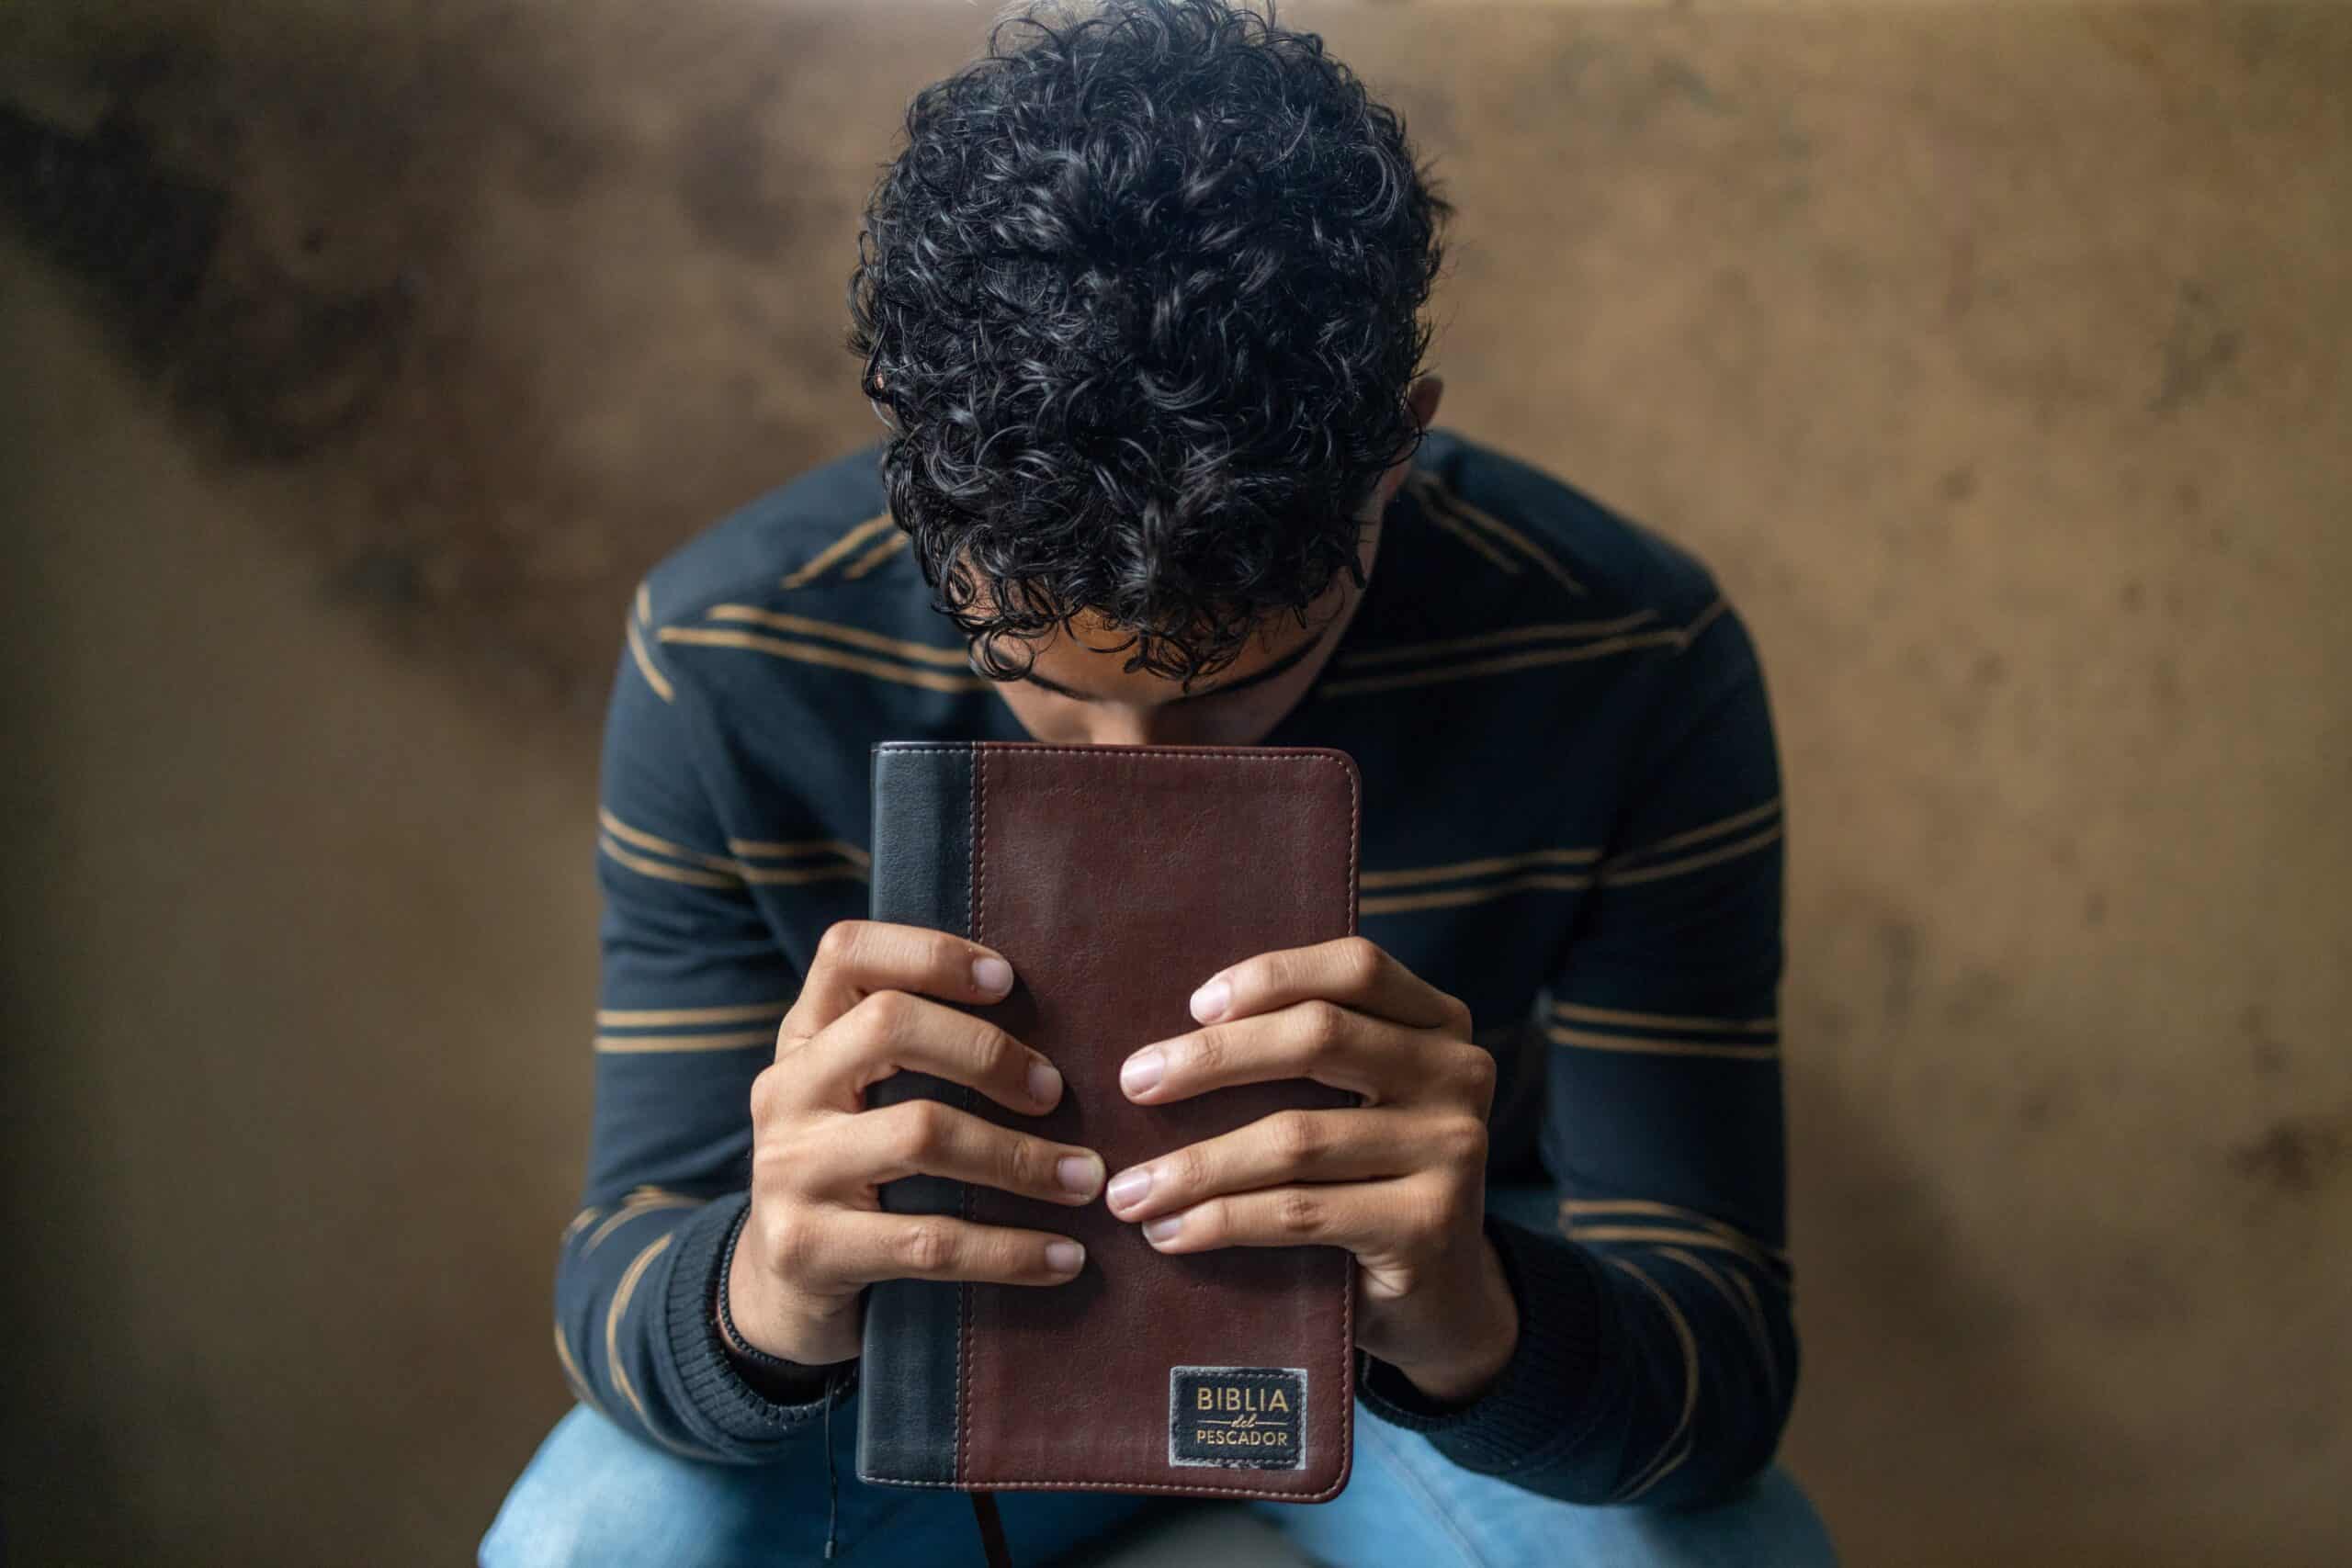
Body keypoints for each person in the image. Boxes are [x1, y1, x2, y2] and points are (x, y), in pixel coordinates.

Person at [481, 1, 1836, 1562]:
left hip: (1406, 1328)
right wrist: (763, 1291)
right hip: (931, 1326)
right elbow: (621, 1269)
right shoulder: (727, 656)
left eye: (1246, 681)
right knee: (598, 1543)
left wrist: (1471, 1313)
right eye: (1042, 685)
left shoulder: (1630, 652)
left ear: (1396, 456)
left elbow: (1725, 1363)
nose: (1139, 780)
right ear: (921, 475)